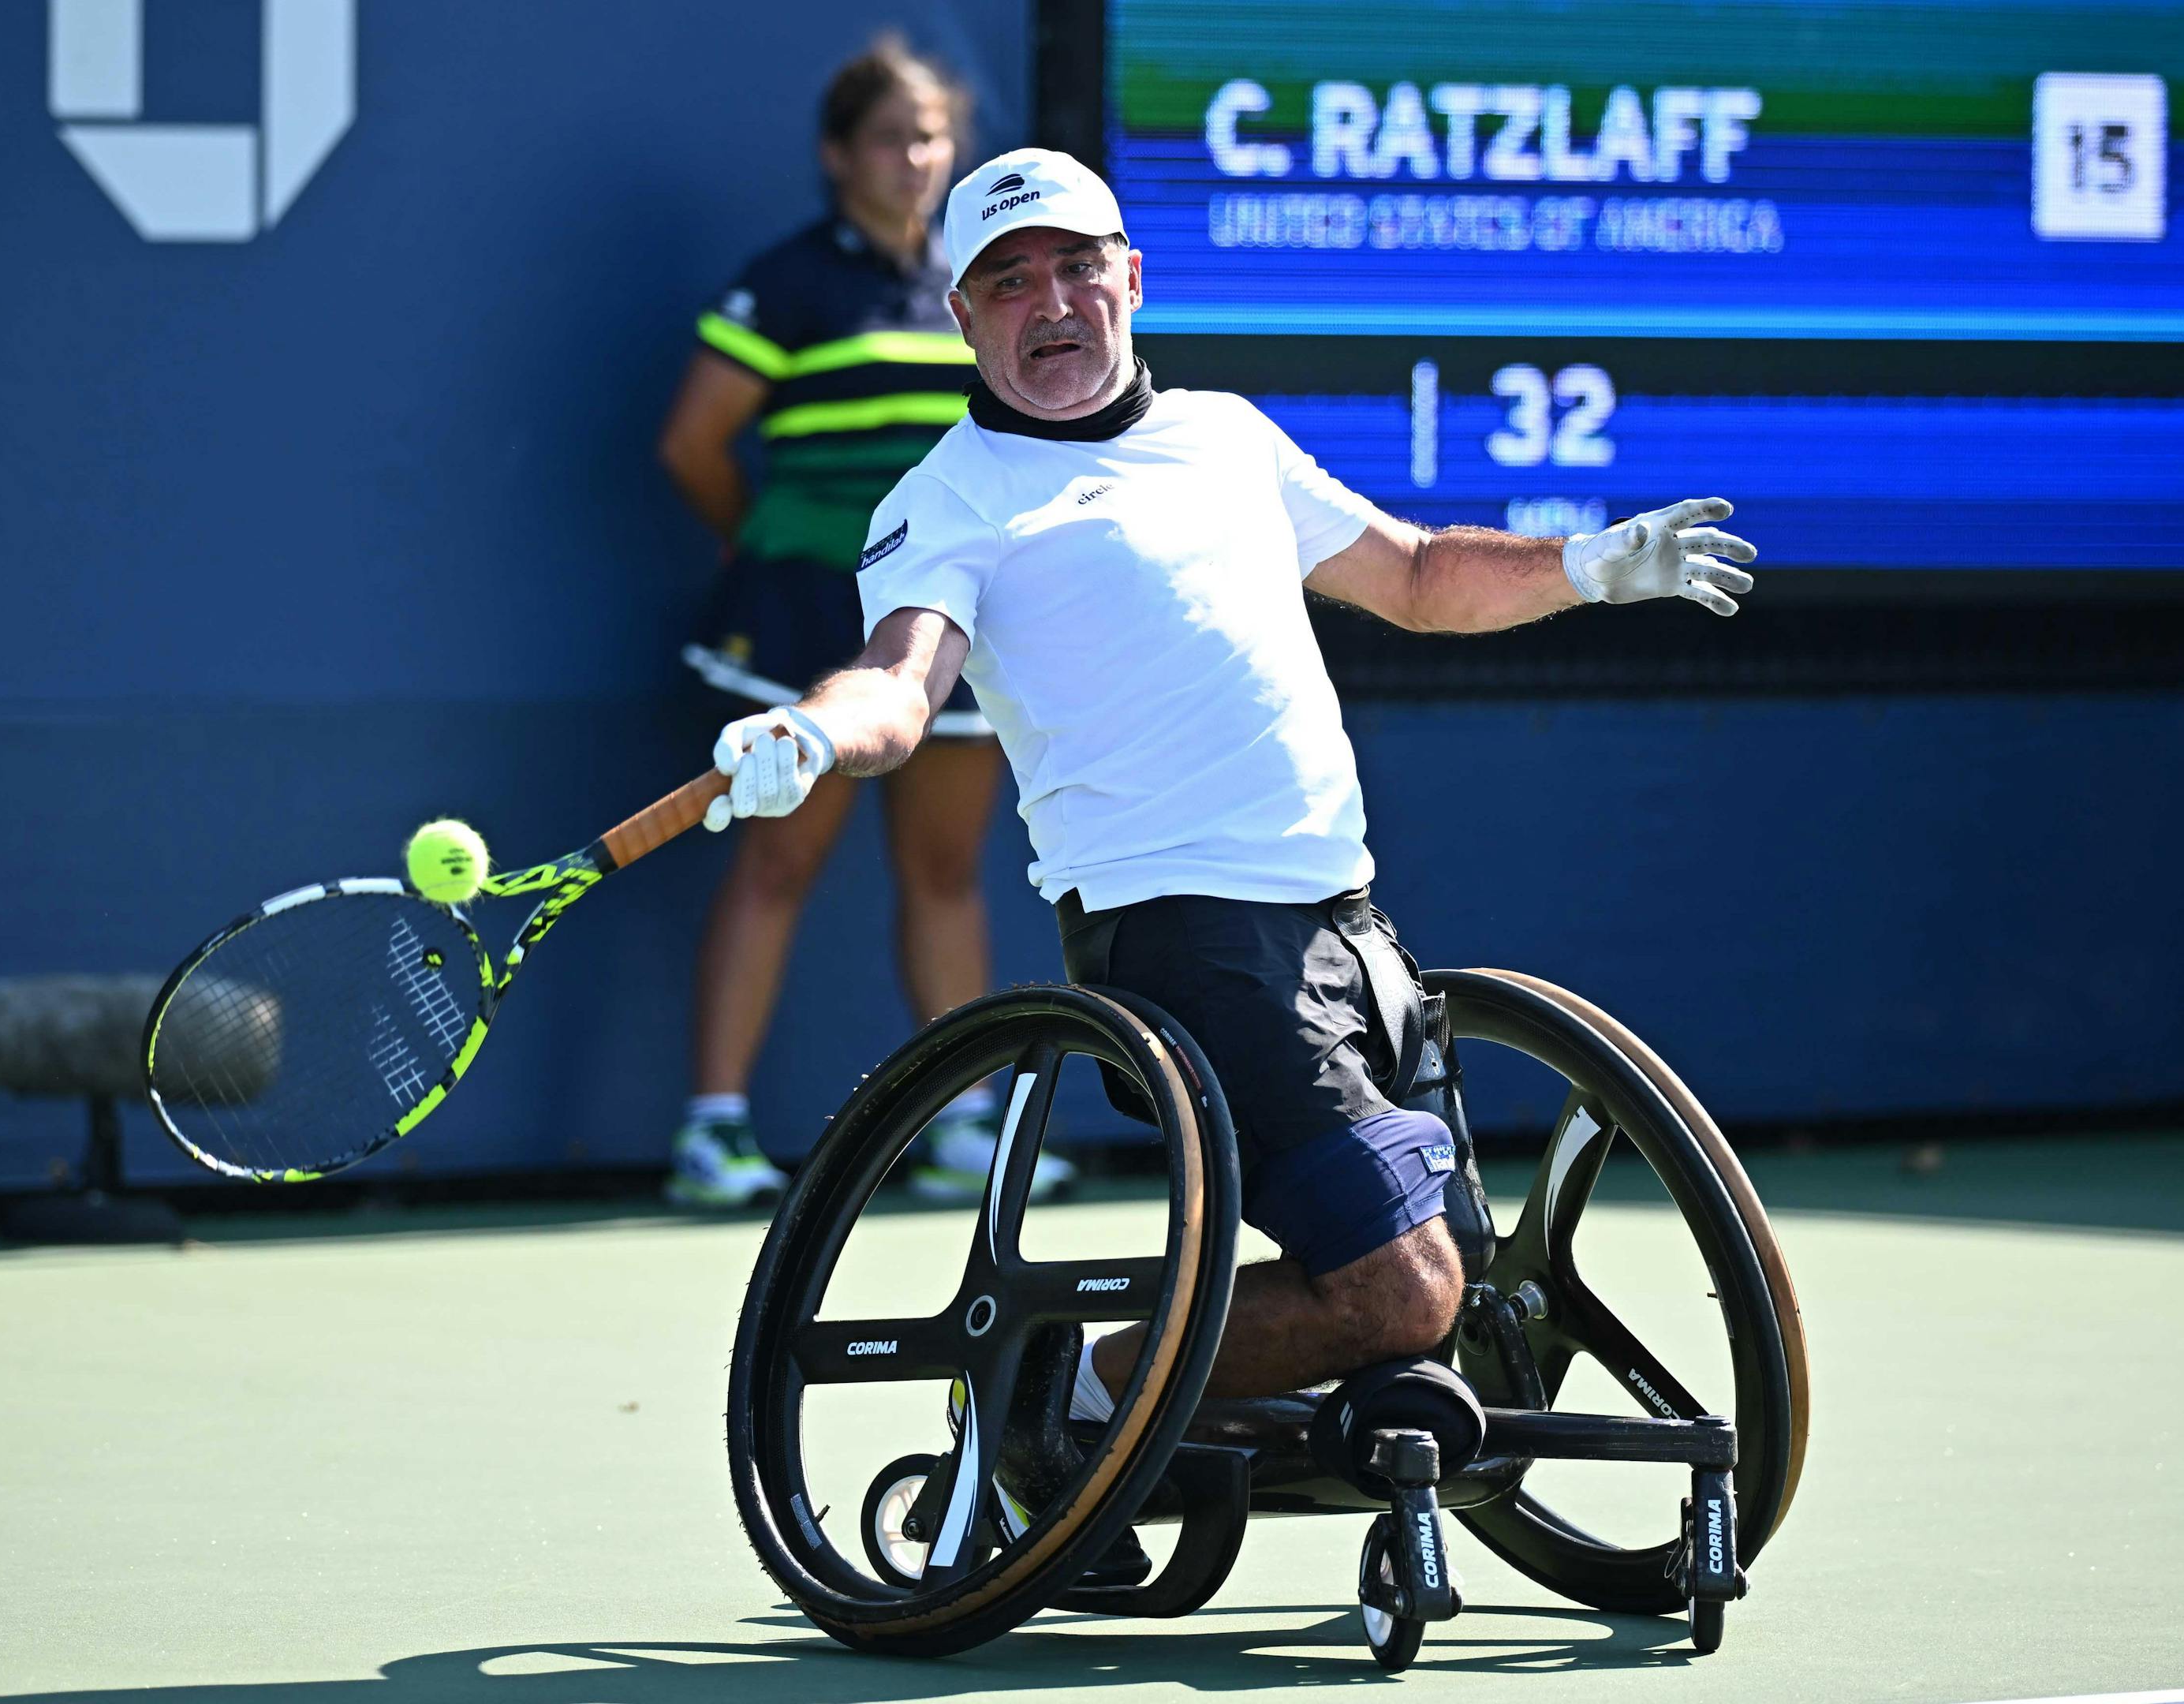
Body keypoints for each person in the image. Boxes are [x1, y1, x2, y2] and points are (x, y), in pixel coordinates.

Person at [704, 147, 1756, 1552]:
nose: (1052, 302)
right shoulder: (947, 498)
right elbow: (901, 684)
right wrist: (814, 732)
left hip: (1351, 926)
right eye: (1009, 281)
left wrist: (1584, 565)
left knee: (1452, 1299)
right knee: (1403, 1289)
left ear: (1131, 278)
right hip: (1186, 943)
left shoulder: (1225, 434)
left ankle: (1232, 1433)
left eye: (1079, 266)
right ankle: (1059, 1401)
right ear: (966, 318)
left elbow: (1419, 576)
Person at [657, 39, 1073, 1209]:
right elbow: (693, 444)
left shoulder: (980, 286)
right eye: (892, 137)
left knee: (945, 872)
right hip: (804, 621)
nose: (916, 159)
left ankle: (968, 1135)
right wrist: (775, 542)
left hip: (947, 627)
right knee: (779, 860)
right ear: (840, 155)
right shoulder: (788, 283)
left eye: (933, 137)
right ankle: (714, 1131)